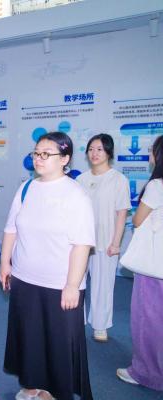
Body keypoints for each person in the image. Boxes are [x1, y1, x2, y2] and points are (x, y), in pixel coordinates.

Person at [0, 132, 95, 400]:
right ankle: (31, 383)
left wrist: (72, 285)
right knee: (28, 334)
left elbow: (82, 244)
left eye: (46, 154)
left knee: (57, 338)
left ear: (65, 159)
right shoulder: (26, 188)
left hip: (60, 282)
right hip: (24, 276)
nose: (38, 159)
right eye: (36, 153)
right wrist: (5, 262)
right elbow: (11, 229)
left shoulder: (76, 194)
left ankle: (51, 389)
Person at [117, 135, 163, 391]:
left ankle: (147, 373)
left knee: (148, 319)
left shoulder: (156, 185)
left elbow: (137, 220)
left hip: (154, 266)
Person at [77, 134, 130, 342]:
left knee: (103, 285)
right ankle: (76, 320)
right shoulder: (81, 179)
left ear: (109, 152)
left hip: (106, 241)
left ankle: (100, 326)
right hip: (81, 240)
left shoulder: (118, 180)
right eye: (91, 149)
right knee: (77, 282)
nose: (94, 153)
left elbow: (121, 214)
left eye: (99, 149)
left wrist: (116, 243)